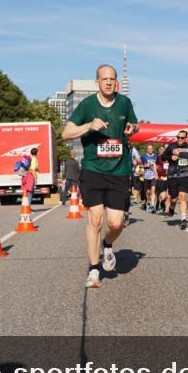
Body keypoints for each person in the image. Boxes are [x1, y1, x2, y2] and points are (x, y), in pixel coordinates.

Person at [62, 64, 138, 289]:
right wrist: (88, 126)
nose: (108, 82)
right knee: (95, 219)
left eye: (112, 79)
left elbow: (134, 126)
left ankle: (107, 244)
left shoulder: (124, 102)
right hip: (93, 170)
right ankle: (94, 269)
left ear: (116, 82)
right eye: (104, 79)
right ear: (97, 82)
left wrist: (132, 129)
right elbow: (66, 134)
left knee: (115, 224)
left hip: (119, 170)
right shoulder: (87, 105)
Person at [161, 130, 188, 230]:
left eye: (182, 138)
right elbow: (163, 157)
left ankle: (183, 220)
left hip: (184, 175)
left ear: (185, 138)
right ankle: (171, 208)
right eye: (178, 137)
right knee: (173, 199)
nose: (179, 139)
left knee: (183, 197)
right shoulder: (171, 146)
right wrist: (171, 157)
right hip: (172, 175)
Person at [141, 144, 158, 212]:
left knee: (153, 191)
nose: (150, 150)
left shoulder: (156, 156)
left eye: (151, 148)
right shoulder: (144, 157)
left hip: (153, 176)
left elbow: (158, 165)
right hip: (146, 176)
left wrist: (156, 172)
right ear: (147, 149)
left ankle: (153, 205)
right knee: (147, 192)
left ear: (153, 149)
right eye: (149, 148)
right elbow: (140, 165)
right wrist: (145, 165)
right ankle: (148, 202)